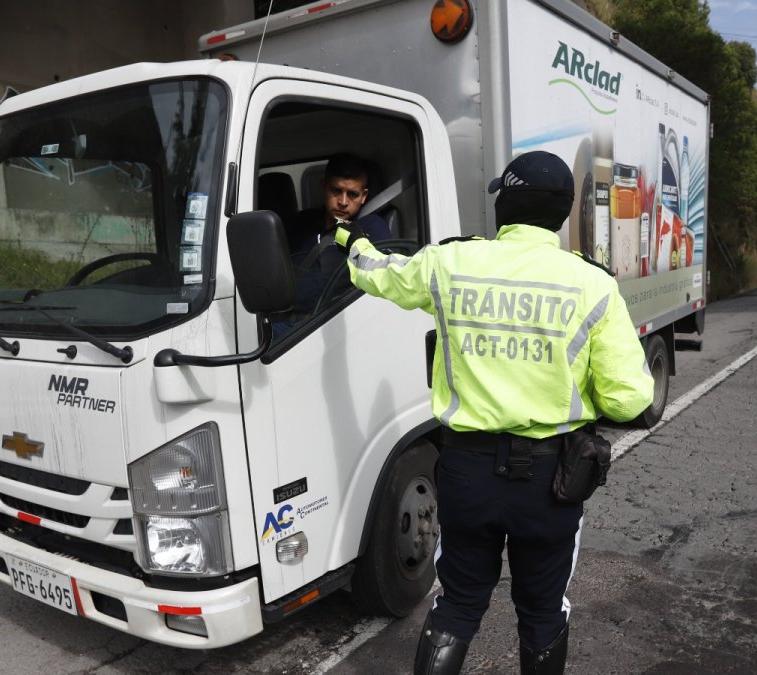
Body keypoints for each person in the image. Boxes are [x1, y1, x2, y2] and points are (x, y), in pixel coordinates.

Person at [333, 151, 654, 674]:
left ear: (505, 204)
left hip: (466, 472)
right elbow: (630, 400)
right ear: (561, 214)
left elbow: (377, 273)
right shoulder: (593, 284)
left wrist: (351, 238)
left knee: (457, 605)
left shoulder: (451, 262)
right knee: (544, 611)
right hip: (553, 481)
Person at [274, 154, 391, 337]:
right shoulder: (302, 223)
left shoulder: (370, 227)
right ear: (323, 187)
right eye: (336, 190)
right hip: (285, 322)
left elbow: (383, 275)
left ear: (364, 196)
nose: (343, 202)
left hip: (331, 325)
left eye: (353, 194)